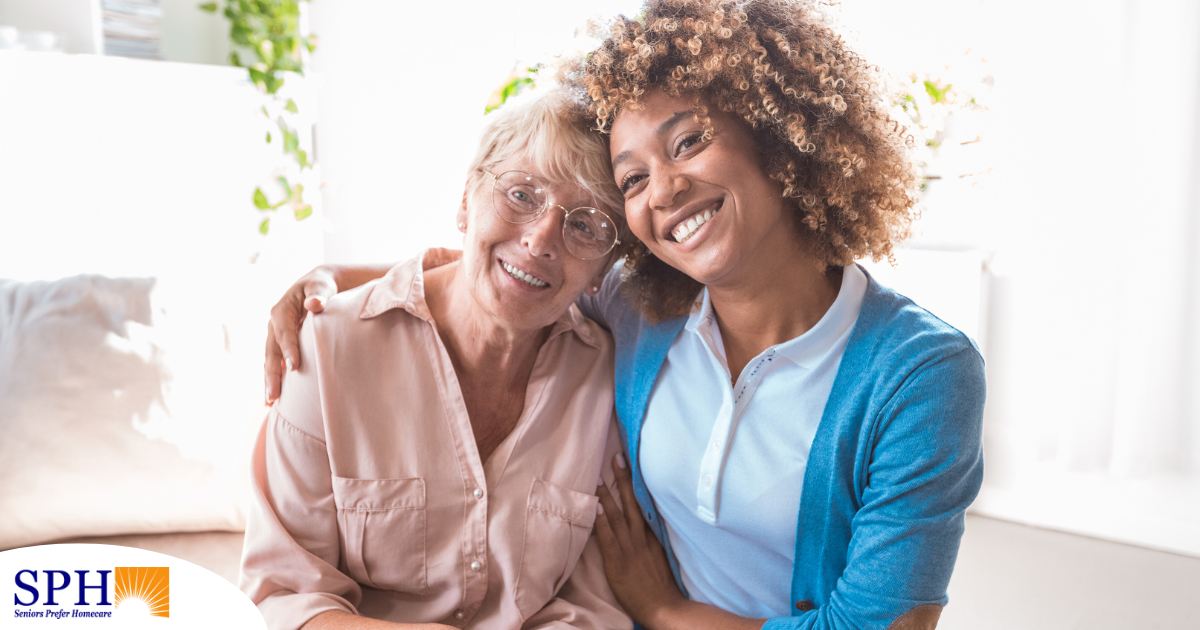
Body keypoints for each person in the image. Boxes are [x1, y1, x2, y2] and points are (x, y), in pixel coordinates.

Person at [264, 1, 986, 629]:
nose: (664, 190)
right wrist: (330, 280)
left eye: (689, 141)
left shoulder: (920, 374)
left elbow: (883, 627)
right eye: (632, 178)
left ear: (778, 134)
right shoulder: (644, 310)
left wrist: (665, 611)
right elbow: (506, 266)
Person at [240, 87, 635, 630]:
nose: (542, 240)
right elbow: (284, 598)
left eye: (585, 225)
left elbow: (591, 607)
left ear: (604, 268)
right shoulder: (329, 350)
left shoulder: (606, 378)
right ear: (467, 198)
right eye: (522, 194)